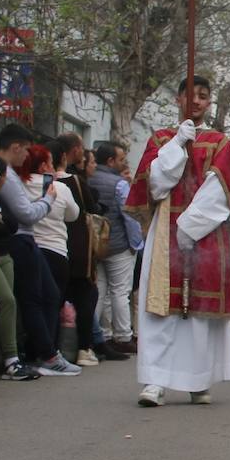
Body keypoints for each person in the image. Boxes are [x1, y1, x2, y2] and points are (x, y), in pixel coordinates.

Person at [124, 76, 230, 407]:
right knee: (160, 310)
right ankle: (155, 380)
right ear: (178, 99)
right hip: (165, 231)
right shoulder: (160, 139)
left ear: (209, 103)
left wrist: (191, 225)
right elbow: (157, 186)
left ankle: (197, 379)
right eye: (190, 95)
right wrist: (177, 145)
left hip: (203, 235)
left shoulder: (220, 143)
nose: (196, 101)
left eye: (203, 96)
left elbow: (220, 189)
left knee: (198, 315)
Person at [0, 124, 80, 376]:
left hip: (27, 241)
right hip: (20, 240)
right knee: (34, 297)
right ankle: (46, 354)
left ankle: (47, 352)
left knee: (48, 294)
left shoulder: (10, 174)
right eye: (25, 151)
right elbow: (26, 214)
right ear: (16, 147)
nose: (26, 157)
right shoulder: (6, 175)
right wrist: (48, 199)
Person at [19, 145, 82, 367]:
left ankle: (28, 350)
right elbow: (73, 215)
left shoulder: (19, 185)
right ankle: (48, 351)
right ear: (45, 165)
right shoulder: (58, 188)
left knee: (29, 301)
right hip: (56, 251)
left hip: (28, 248)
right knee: (51, 303)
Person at [53, 132, 102, 367]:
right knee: (86, 295)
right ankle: (84, 348)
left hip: (52, 248)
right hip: (77, 247)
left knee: (56, 298)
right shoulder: (72, 182)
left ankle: (53, 349)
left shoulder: (36, 181)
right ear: (68, 153)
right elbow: (91, 209)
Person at [88, 141, 137, 358]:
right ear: (110, 161)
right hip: (118, 244)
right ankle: (123, 336)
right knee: (120, 291)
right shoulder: (119, 184)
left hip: (96, 244)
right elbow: (129, 215)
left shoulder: (89, 178)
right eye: (121, 160)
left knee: (99, 291)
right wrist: (136, 242)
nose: (123, 163)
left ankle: (99, 333)